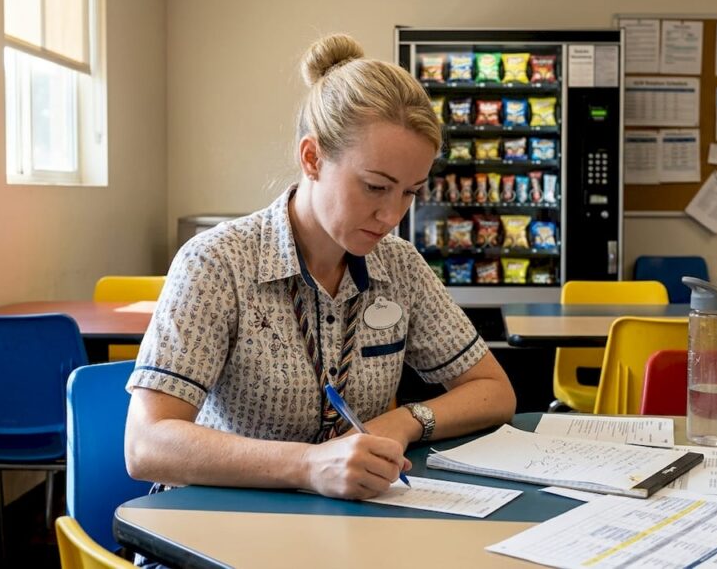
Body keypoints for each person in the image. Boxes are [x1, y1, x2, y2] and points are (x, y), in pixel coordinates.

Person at [124, 34, 516, 500]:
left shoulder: (400, 266)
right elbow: (146, 444)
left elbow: (494, 390)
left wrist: (402, 422)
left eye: (410, 191)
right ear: (312, 158)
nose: (392, 217)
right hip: (220, 521)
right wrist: (308, 465)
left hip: (342, 525)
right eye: (375, 187)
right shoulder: (217, 262)